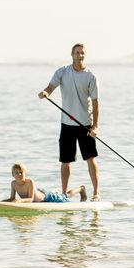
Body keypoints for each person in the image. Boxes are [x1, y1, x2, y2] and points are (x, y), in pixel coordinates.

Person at [38, 43, 103, 201]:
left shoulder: (90, 76)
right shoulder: (62, 72)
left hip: (85, 125)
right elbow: (51, 86)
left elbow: (95, 103)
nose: (80, 56)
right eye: (77, 53)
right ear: (72, 54)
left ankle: (96, 193)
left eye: (82, 53)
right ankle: (64, 194)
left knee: (90, 159)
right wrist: (46, 92)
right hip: (67, 124)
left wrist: (95, 127)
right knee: (65, 161)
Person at [2, 163, 87, 202]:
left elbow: (31, 199)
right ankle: (55, 191)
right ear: (13, 175)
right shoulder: (13, 183)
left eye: (21, 172)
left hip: (46, 197)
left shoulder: (29, 182)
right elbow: (12, 198)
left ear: (25, 173)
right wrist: (2, 202)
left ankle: (81, 189)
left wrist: (20, 201)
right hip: (39, 193)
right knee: (54, 194)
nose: (19, 174)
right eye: (17, 173)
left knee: (64, 196)